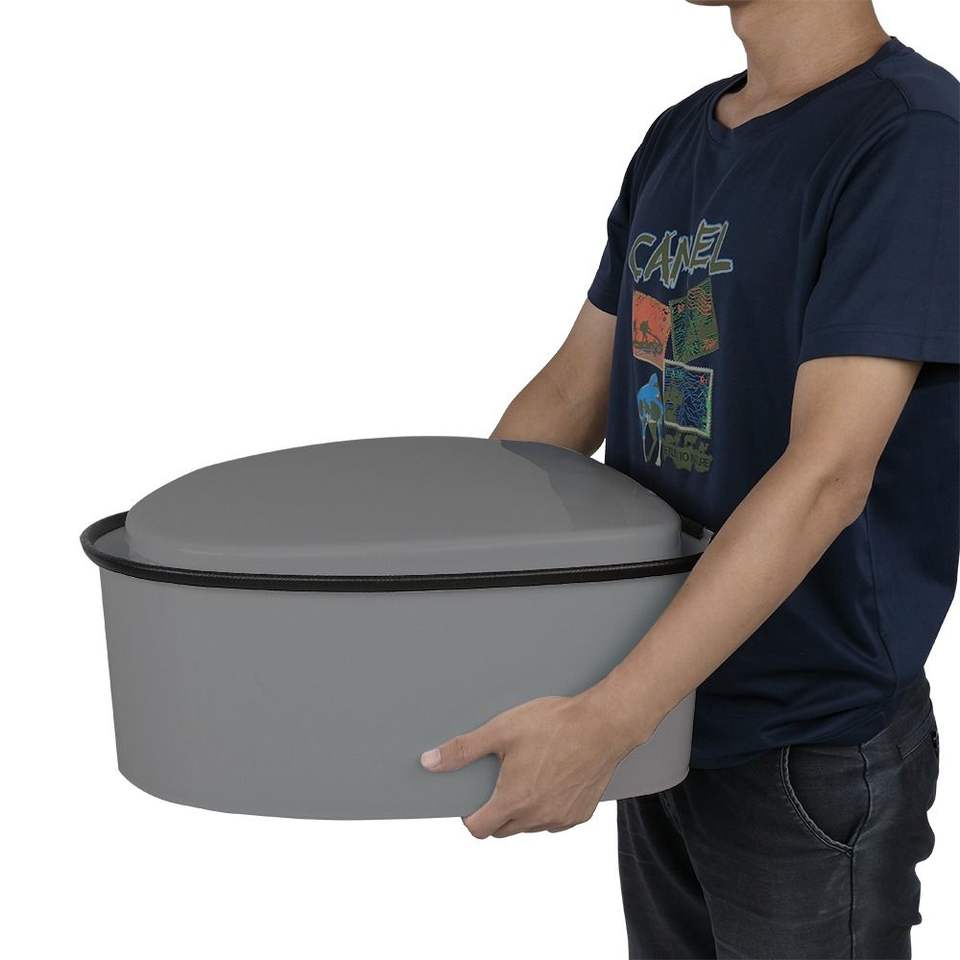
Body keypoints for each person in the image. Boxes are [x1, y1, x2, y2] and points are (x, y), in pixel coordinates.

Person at [418, 1, 959, 956]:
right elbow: (572, 393)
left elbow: (828, 473)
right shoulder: (680, 135)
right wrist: (434, 603)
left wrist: (610, 721)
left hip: (804, 737)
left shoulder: (912, 141)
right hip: (662, 706)